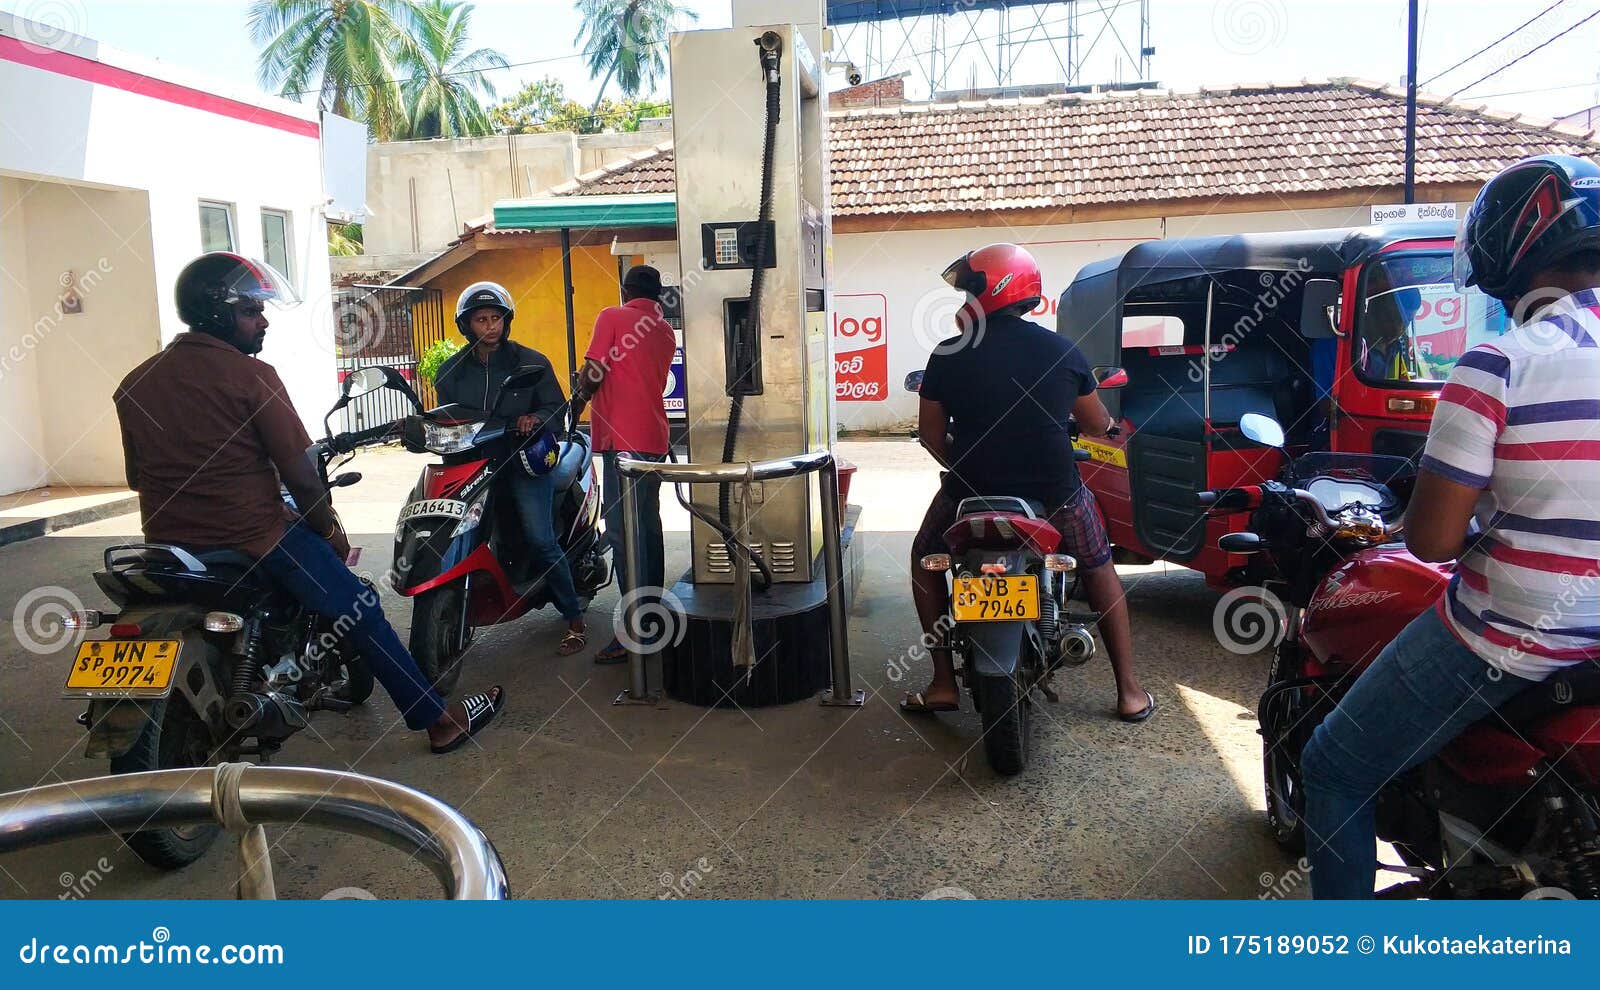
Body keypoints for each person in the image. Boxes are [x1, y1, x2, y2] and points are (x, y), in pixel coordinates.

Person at [1300, 153, 1600, 898]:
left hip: (1523, 636)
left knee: (1335, 764)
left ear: (1511, 250)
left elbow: (1432, 542)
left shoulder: (1500, 362)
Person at [113, 252, 503, 755]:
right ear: (220, 314)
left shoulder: (135, 380)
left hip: (166, 542)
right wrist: (327, 530)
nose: (263, 320)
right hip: (256, 538)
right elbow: (298, 472)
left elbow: (134, 475)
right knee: (360, 608)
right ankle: (438, 720)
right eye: (253, 311)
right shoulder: (251, 376)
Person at [905, 242, 1153, 722]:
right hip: (1055, 493)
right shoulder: (1061, 351)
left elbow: (932, 436)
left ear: (992, 289)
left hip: (969, 494)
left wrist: (964, 467)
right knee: (1099, 566)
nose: (965, 298)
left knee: (924, 560)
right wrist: (1104, 430)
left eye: (970, 288)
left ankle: (941, 682)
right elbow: (1097, 421)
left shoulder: (948, 354)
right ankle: (1129, 691)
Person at [434, 282, 588, 655]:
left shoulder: (530, 363)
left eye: (496, 319)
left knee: (540, 538)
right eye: (481, 319)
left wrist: (534, 418)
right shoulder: (450, 372)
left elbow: (556, 408)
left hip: (521, 461)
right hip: (473, 464)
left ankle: (574, 619)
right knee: (449, 530)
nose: (489, 326)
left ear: (506, 322)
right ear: (466, 325)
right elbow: (445, 418)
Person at [571, 265, 677, 664]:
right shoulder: (664, 330)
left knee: (622, 533)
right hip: (654, 438)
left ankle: (634, 630)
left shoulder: (611, 316)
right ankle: (654, 615)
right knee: (648, 527)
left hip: (624, 443)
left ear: (625, 289)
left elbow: (594, 371)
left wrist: (578, 397)